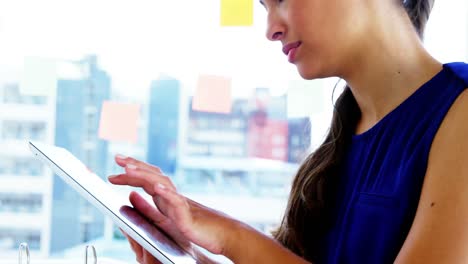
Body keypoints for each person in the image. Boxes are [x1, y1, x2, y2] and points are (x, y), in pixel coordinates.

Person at [107, 0, 468, 263]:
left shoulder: (460, 113)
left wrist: (229, 235)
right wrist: (192, 256)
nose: (270, 29)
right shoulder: (338, 145)